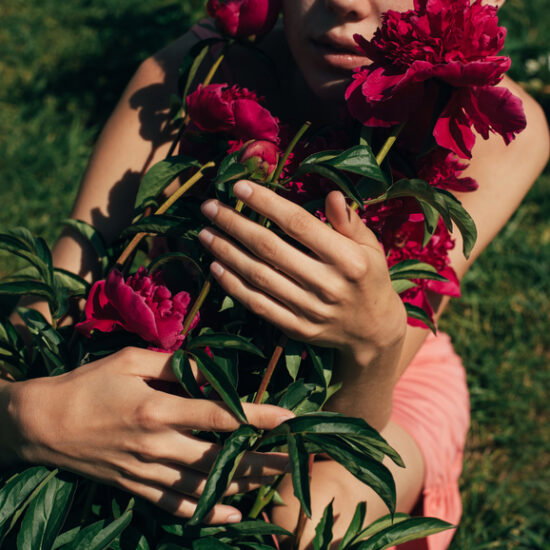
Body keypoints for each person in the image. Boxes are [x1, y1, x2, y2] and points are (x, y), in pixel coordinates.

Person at [0, 1, 548, 548]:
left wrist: (375, 338)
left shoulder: (491, 125)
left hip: (384, 378)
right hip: (185, 345)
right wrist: (27, 418)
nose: (345, 1)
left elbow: (348, 426)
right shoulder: (201, 67)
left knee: (305, 524)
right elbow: (45, 315)